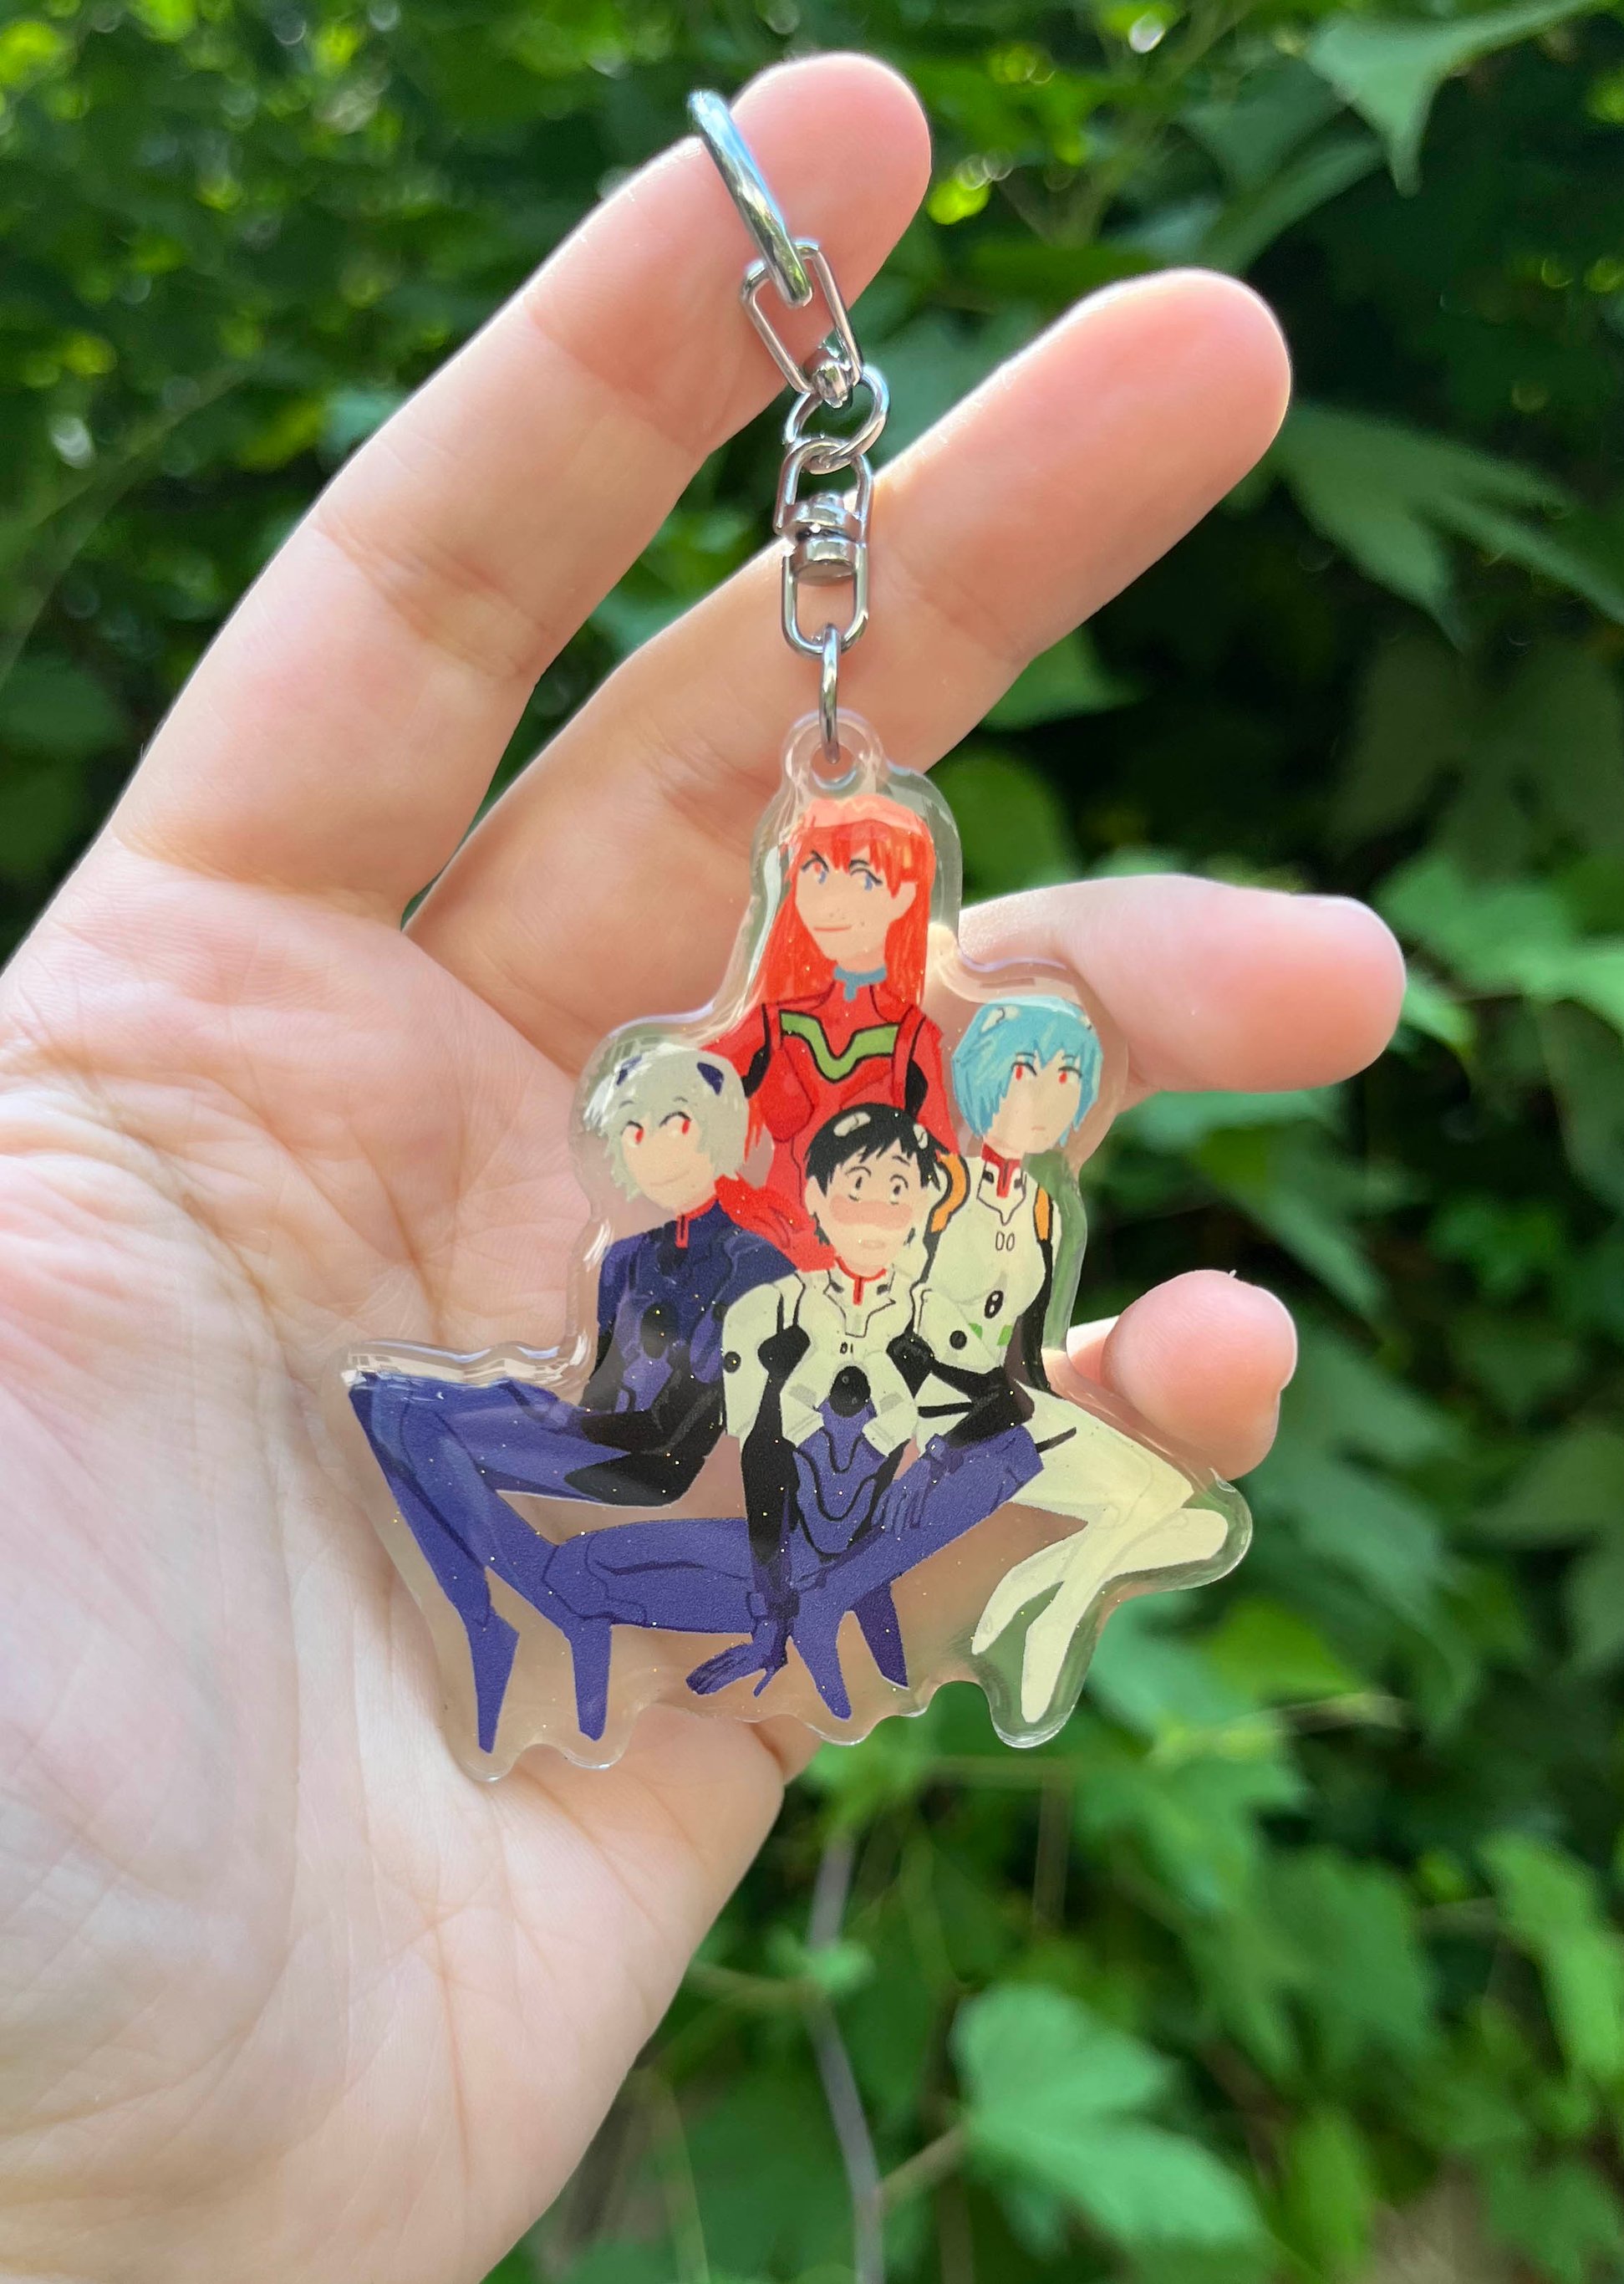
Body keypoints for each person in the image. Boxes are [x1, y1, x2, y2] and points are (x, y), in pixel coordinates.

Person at [0, 55, 1402, 2284]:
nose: (843, 905)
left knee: (900, 1492)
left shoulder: (936, 1104)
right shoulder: (722, 1080)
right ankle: (556, 1587)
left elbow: (937, 1229)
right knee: (614, 1450)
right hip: (711, 1317)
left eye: (868, 885)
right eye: (825, 883)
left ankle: (655, 1588)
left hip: (833, 1340)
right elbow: (697, 1165)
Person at [528, 1103, 1041, 1737]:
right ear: (816, 1198)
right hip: (780, 1551)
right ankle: (811, 1601)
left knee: (1013, 1453)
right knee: (578, 1571)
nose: (875, 1213)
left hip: (875, 1541)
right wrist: (772, 1608)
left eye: (897, 1192)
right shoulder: (769, 1311)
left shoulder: (932, 1317)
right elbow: (762, 1457)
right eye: (857, 1188)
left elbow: (1008, 1416)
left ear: (923, 1207)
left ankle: (839, 1590)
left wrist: (935, 1458)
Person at [348, 1043, 788, 1750]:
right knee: (378, 1398)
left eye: (675, 1122)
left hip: (649, 1462)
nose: (654, 1148)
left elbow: (699, 1423)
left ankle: (506, 1615)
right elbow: (598, 1392)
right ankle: (505, 1614)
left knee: (415, 1422)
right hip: (597, 1432)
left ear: (720, 1130)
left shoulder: (757, 1261)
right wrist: (527, 1404)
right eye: (634, 1131)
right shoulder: (623, 1259)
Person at [922, 996, 1232, 1724]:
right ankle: (1049, 1619)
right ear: (983, 1077)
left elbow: (1029, 1348)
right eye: (1026, 1070)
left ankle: (1036, 1589)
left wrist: (1045, 1408)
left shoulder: (1048, 1204)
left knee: (1205, 1526)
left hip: (1018, 1403)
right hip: (940, 1407)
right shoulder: (937, 1188)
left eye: (1067, 1075)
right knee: (1145, 1509)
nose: (1048, 1091)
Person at [709, 790, 955, 1265]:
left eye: (862, 877)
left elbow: (944, 1171)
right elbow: (684, 1101)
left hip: (865, 1264)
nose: (830, 901)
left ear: (904, 894)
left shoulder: (911, 1039)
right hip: (767, 1255)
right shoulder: (772, 1024)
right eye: (815, 871)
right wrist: (736, 1201)